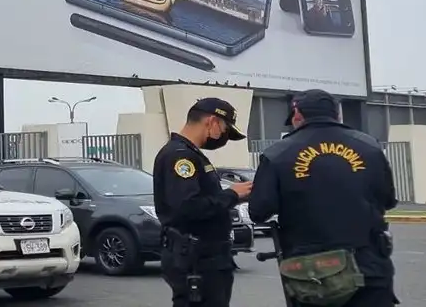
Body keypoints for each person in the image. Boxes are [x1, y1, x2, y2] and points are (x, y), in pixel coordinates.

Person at [249, 89, 399, 307]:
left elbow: (259, 211)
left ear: (297, 114)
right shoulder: (369, 147)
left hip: (313, 273)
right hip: (368, 265)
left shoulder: (277, 154)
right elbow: (388, 199)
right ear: (337, 114)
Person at [152, 97, 253, 307]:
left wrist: (234, 195)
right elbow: (188, 207)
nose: (224, 136)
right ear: (212, 122)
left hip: (203, 257)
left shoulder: (190, 154)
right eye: (225, 129)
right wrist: (232, 195)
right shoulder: (181, 157)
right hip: (197, 259)